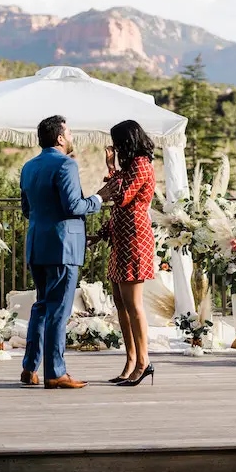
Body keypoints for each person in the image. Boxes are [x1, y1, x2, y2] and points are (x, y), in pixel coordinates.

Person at [19, 115, 117, 390]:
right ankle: (55, 372)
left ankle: (29, 367)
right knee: (59, 311)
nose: (72, 138)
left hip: (37, 244)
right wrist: (99, 198)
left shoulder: (28, 167)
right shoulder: (66, 164)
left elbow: (27, 210)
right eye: (70, 133)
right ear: (60, 138)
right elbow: (74, 205)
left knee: (41, 307)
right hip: (62, 247)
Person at [91, 120, 157, 387]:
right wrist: (101, 233)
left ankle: (144, 362)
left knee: (134, 305)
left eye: (117, 143)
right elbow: (119, 211)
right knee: (120, 302)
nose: (115, 147)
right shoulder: (131, 166)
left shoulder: (141, 164)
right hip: (121, 238)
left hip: (135, 240)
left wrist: (110, 169)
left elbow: (121, 197)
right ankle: (130, 360)